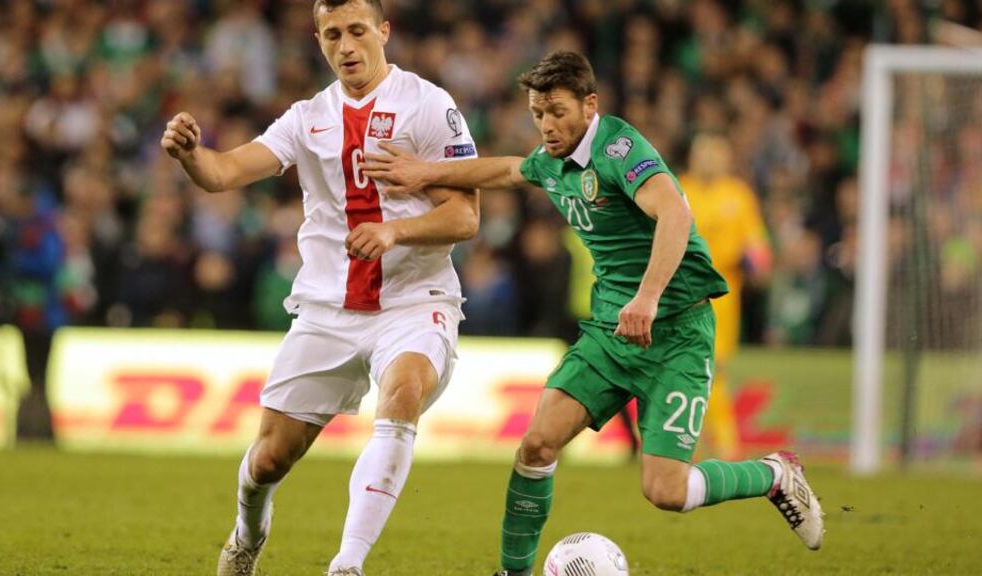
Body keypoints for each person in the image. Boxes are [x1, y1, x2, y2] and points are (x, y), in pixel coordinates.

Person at [363, 51, 824, 576]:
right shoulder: (552, 160)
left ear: (590, 104)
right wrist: (425, 171)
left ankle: (773, 475)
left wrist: (647, 296)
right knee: (536, 445)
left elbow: (674, 211)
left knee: (666, 490)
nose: (547, 125)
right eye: (538, 113)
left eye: (557, 111)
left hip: (676, 333)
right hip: (610, 333)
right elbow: (509, 169)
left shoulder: (619, 147)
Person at [161, 1, 480, 575]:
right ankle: (245, 533)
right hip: (328, 309)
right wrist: (190, 155)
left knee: (403, 395)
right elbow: (224, 172)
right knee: (268, 460)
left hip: (414, 300)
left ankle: (347, 565)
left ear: (384, 31)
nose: (346, 45)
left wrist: (396, 231)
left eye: (357, 31)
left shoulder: (430, 106)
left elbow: (465, 216)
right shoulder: (306, 118)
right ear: (319, 41)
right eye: (332, 34)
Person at [679, 133, 774, 460]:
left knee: (713, 367)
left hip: (722, 292)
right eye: (702, 153)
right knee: (682, 365)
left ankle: (723, 444)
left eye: (714, 154)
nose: (708, 159)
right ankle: (685, 443)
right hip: (679, 289)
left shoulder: (738, 194)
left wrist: (761, 262)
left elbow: (755, 240)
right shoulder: (679, 189)